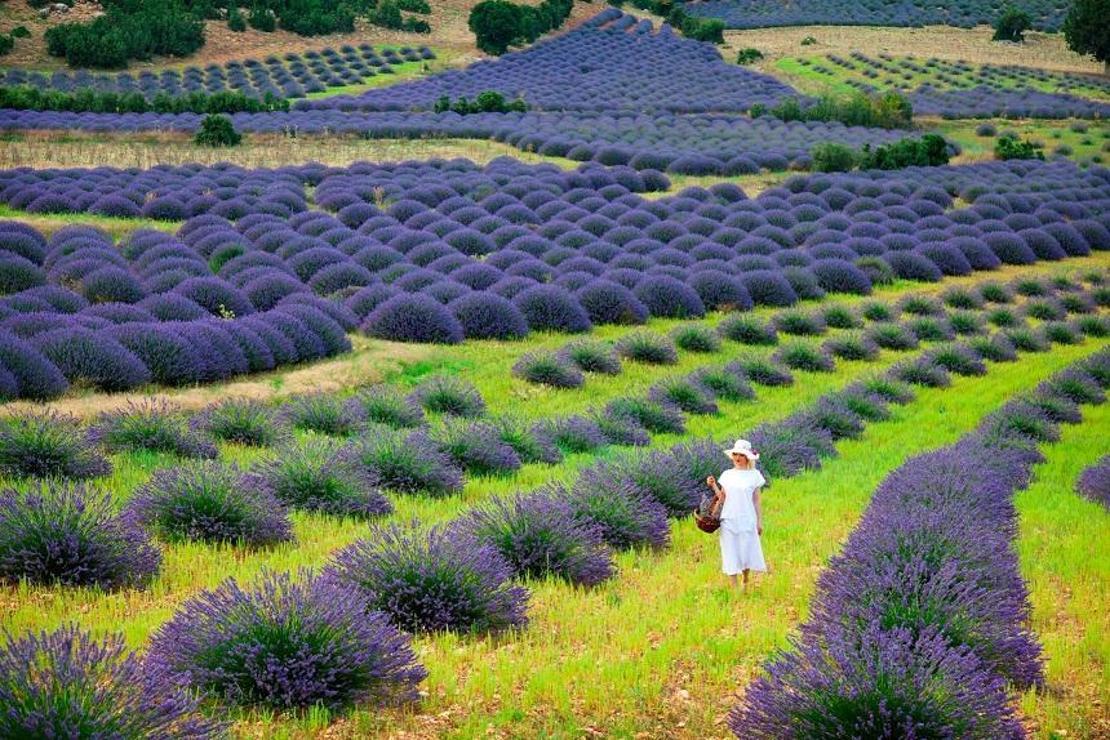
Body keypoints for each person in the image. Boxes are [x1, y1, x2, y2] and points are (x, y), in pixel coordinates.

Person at [706, 438, 766, 590]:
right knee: (730, 551)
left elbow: (757, 500)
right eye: (735, 455)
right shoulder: (727, 475)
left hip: (747, 518)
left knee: (745, 551)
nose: (737, 458)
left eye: (741, 455)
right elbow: (722, 497)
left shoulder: (754, 475)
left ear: (747, 457)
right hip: (728, 518)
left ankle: (745, 579)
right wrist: (713, 485)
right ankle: (734, 589)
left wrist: (759, 522)